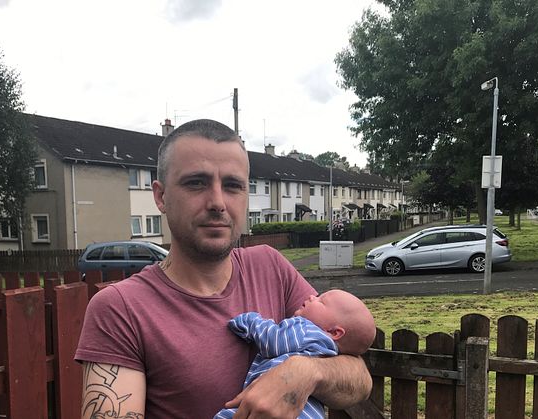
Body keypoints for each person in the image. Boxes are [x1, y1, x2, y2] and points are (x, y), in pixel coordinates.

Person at [75, 119, 372, 418]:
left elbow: (359, 377)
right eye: (196, 183)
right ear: (161, 196)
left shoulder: (270, 266)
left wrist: (305, 372)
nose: (217, 202)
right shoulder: (120, 309)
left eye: (232, 186)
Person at [215, 289, 376, 419]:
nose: (312, 296)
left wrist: (250, 321)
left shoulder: (305, 329)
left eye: (322, 301)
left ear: (334, 332)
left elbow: (273, 340)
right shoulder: (328, 352)